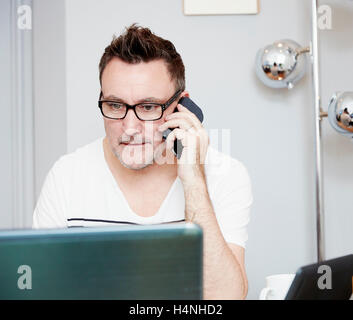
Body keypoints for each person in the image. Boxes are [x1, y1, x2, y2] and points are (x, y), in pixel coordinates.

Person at [33, 24, 253, 300]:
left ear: (181, 107)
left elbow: (225, 299)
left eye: (148, 107)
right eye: (115, 105)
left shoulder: (226, 175)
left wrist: (194, 178)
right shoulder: (66, 176)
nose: (130, 127)